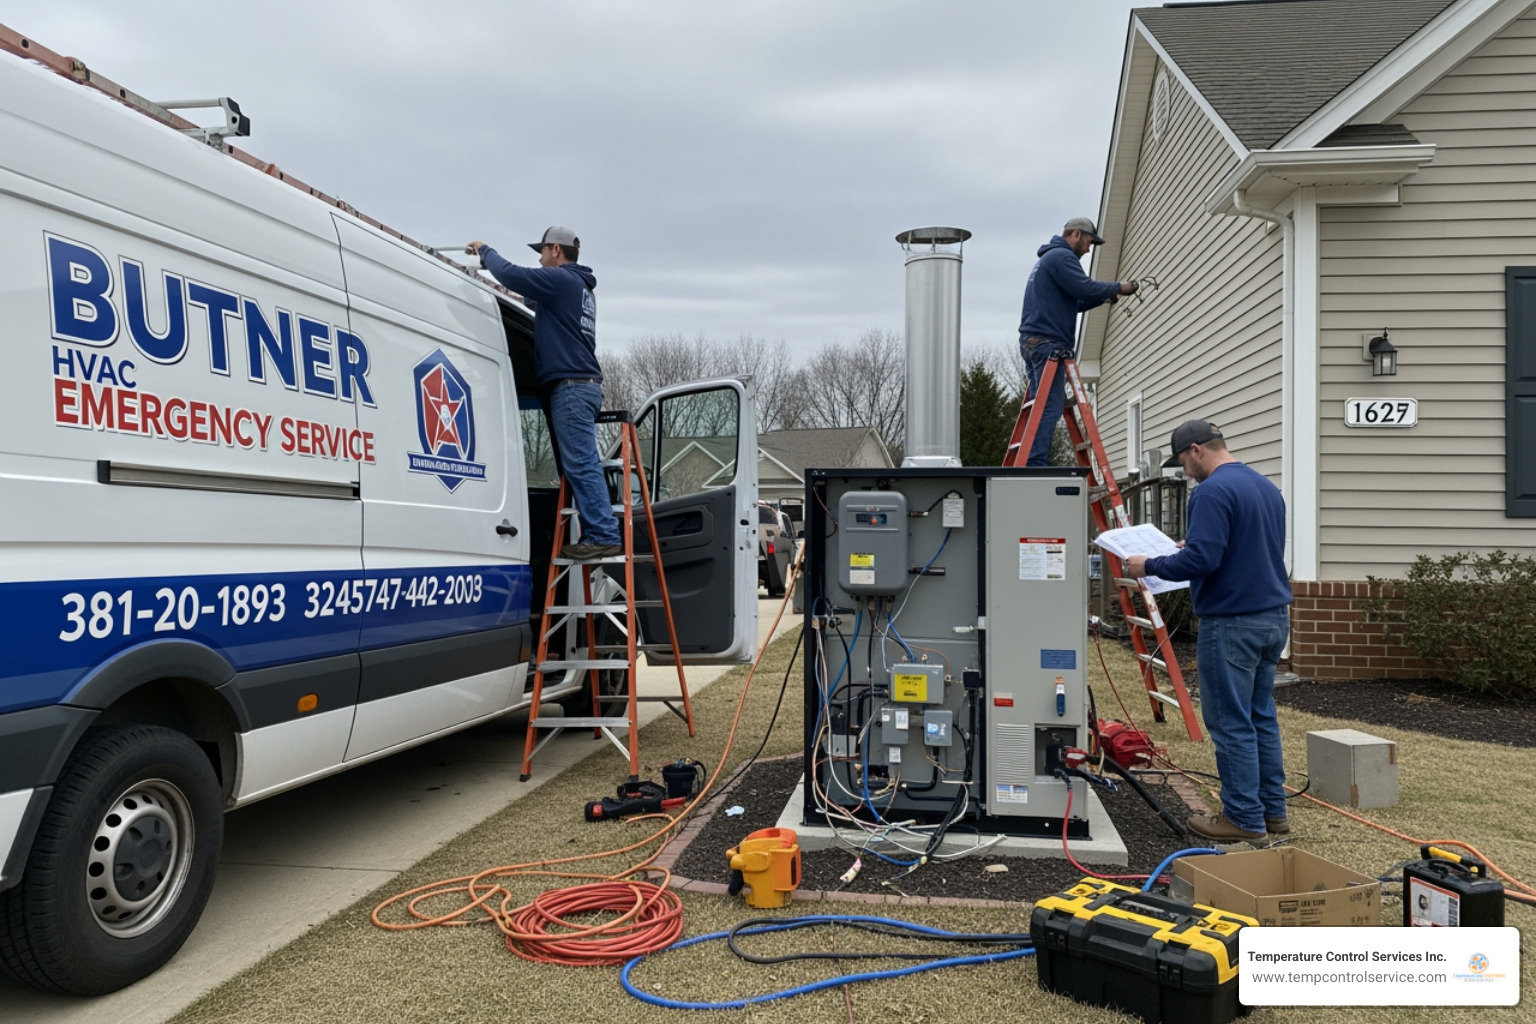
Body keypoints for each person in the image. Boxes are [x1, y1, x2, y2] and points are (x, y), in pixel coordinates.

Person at [1125, 421, 1293, 843]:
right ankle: (1273, 813)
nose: (1185, 472)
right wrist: (1192, 548)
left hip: (1231, 622)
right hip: (1272, 617)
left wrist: (1149, 565)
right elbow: (1240, 548)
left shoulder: (1212, 492)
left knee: (1230, 721)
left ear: (1197, 450)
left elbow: (1203, 561)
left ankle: (1243, 819)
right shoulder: (1265, 487)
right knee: (1260, 717)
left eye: (1183, 462)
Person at [466, 227, 622, 560]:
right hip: (582, 388)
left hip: (571, 388)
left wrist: (485, 252)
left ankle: (604, 533)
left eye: (541, 252)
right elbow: (529, 298)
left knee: (580, 464)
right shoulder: (581, 290)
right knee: (577, 465)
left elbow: (512, 275)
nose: (538, 258)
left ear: (555, 249)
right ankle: (596, 529)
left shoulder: (562, 280)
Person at [1017, 217, 1138, 466]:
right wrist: (1120, 286)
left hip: (1034, 342)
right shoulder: (1062, 257)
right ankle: (1035, 463)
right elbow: (1085, 288)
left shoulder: (1047, 260)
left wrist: (1108, 296)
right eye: (1088, 242)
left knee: (1043, 404)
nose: (1088, 248)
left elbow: (1077, 301)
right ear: (1076, 234)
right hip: (1048, 344)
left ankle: (1030, 457)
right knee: (1050, 406)